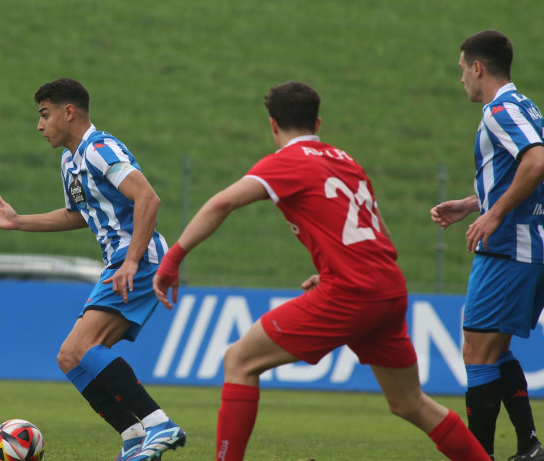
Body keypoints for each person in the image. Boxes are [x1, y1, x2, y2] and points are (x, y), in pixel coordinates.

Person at [153, 81, 490, 461]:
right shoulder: (347, 160)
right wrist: (337, 267)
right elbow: (378, 231)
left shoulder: (286, 162)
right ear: (317, 122)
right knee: (410, 402)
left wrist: (173, 259)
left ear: (272, 125)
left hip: (351, 290)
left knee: (239, 360)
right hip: (387, 285)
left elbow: (221, 203)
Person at [0, 78, 185, 461]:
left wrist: (133, 260)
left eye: (45, 114)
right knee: (70, 356)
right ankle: (135, 436)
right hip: (122, 262)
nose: (40, 125)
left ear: (68, 112)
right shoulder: (70, 160)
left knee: (84, 347)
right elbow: (79, 215)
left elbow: (148, 199)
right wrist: (19, 221)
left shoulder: (100, 148)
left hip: (136, 259)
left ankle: (159, 423)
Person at [430, 30, 544, 461]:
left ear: (478, 67)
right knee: (495, 350)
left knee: (476, 352)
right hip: (534, 246)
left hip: (509, 248)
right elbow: (519, 171)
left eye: (463, 69)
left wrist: (495, 214)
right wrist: (473, 204)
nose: (461, 78)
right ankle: (529, 447)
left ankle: (479, 455)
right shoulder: (524, 106)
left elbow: (538, 163)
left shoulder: (498, 110)